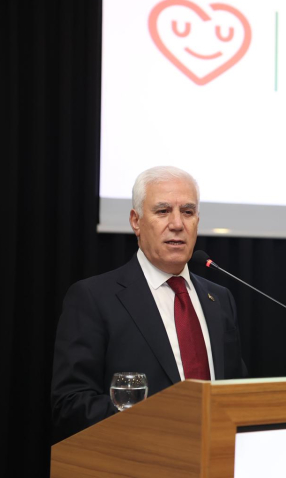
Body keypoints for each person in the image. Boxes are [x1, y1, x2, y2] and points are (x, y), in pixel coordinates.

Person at [51, 166, 248, 442]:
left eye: (187, 212)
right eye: (163, 211)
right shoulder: (94, 298)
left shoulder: (219, 299)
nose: (177, 224)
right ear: (136, 221)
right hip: (137, 456)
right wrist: (158, 421)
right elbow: (71, 404)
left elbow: (236, 391)